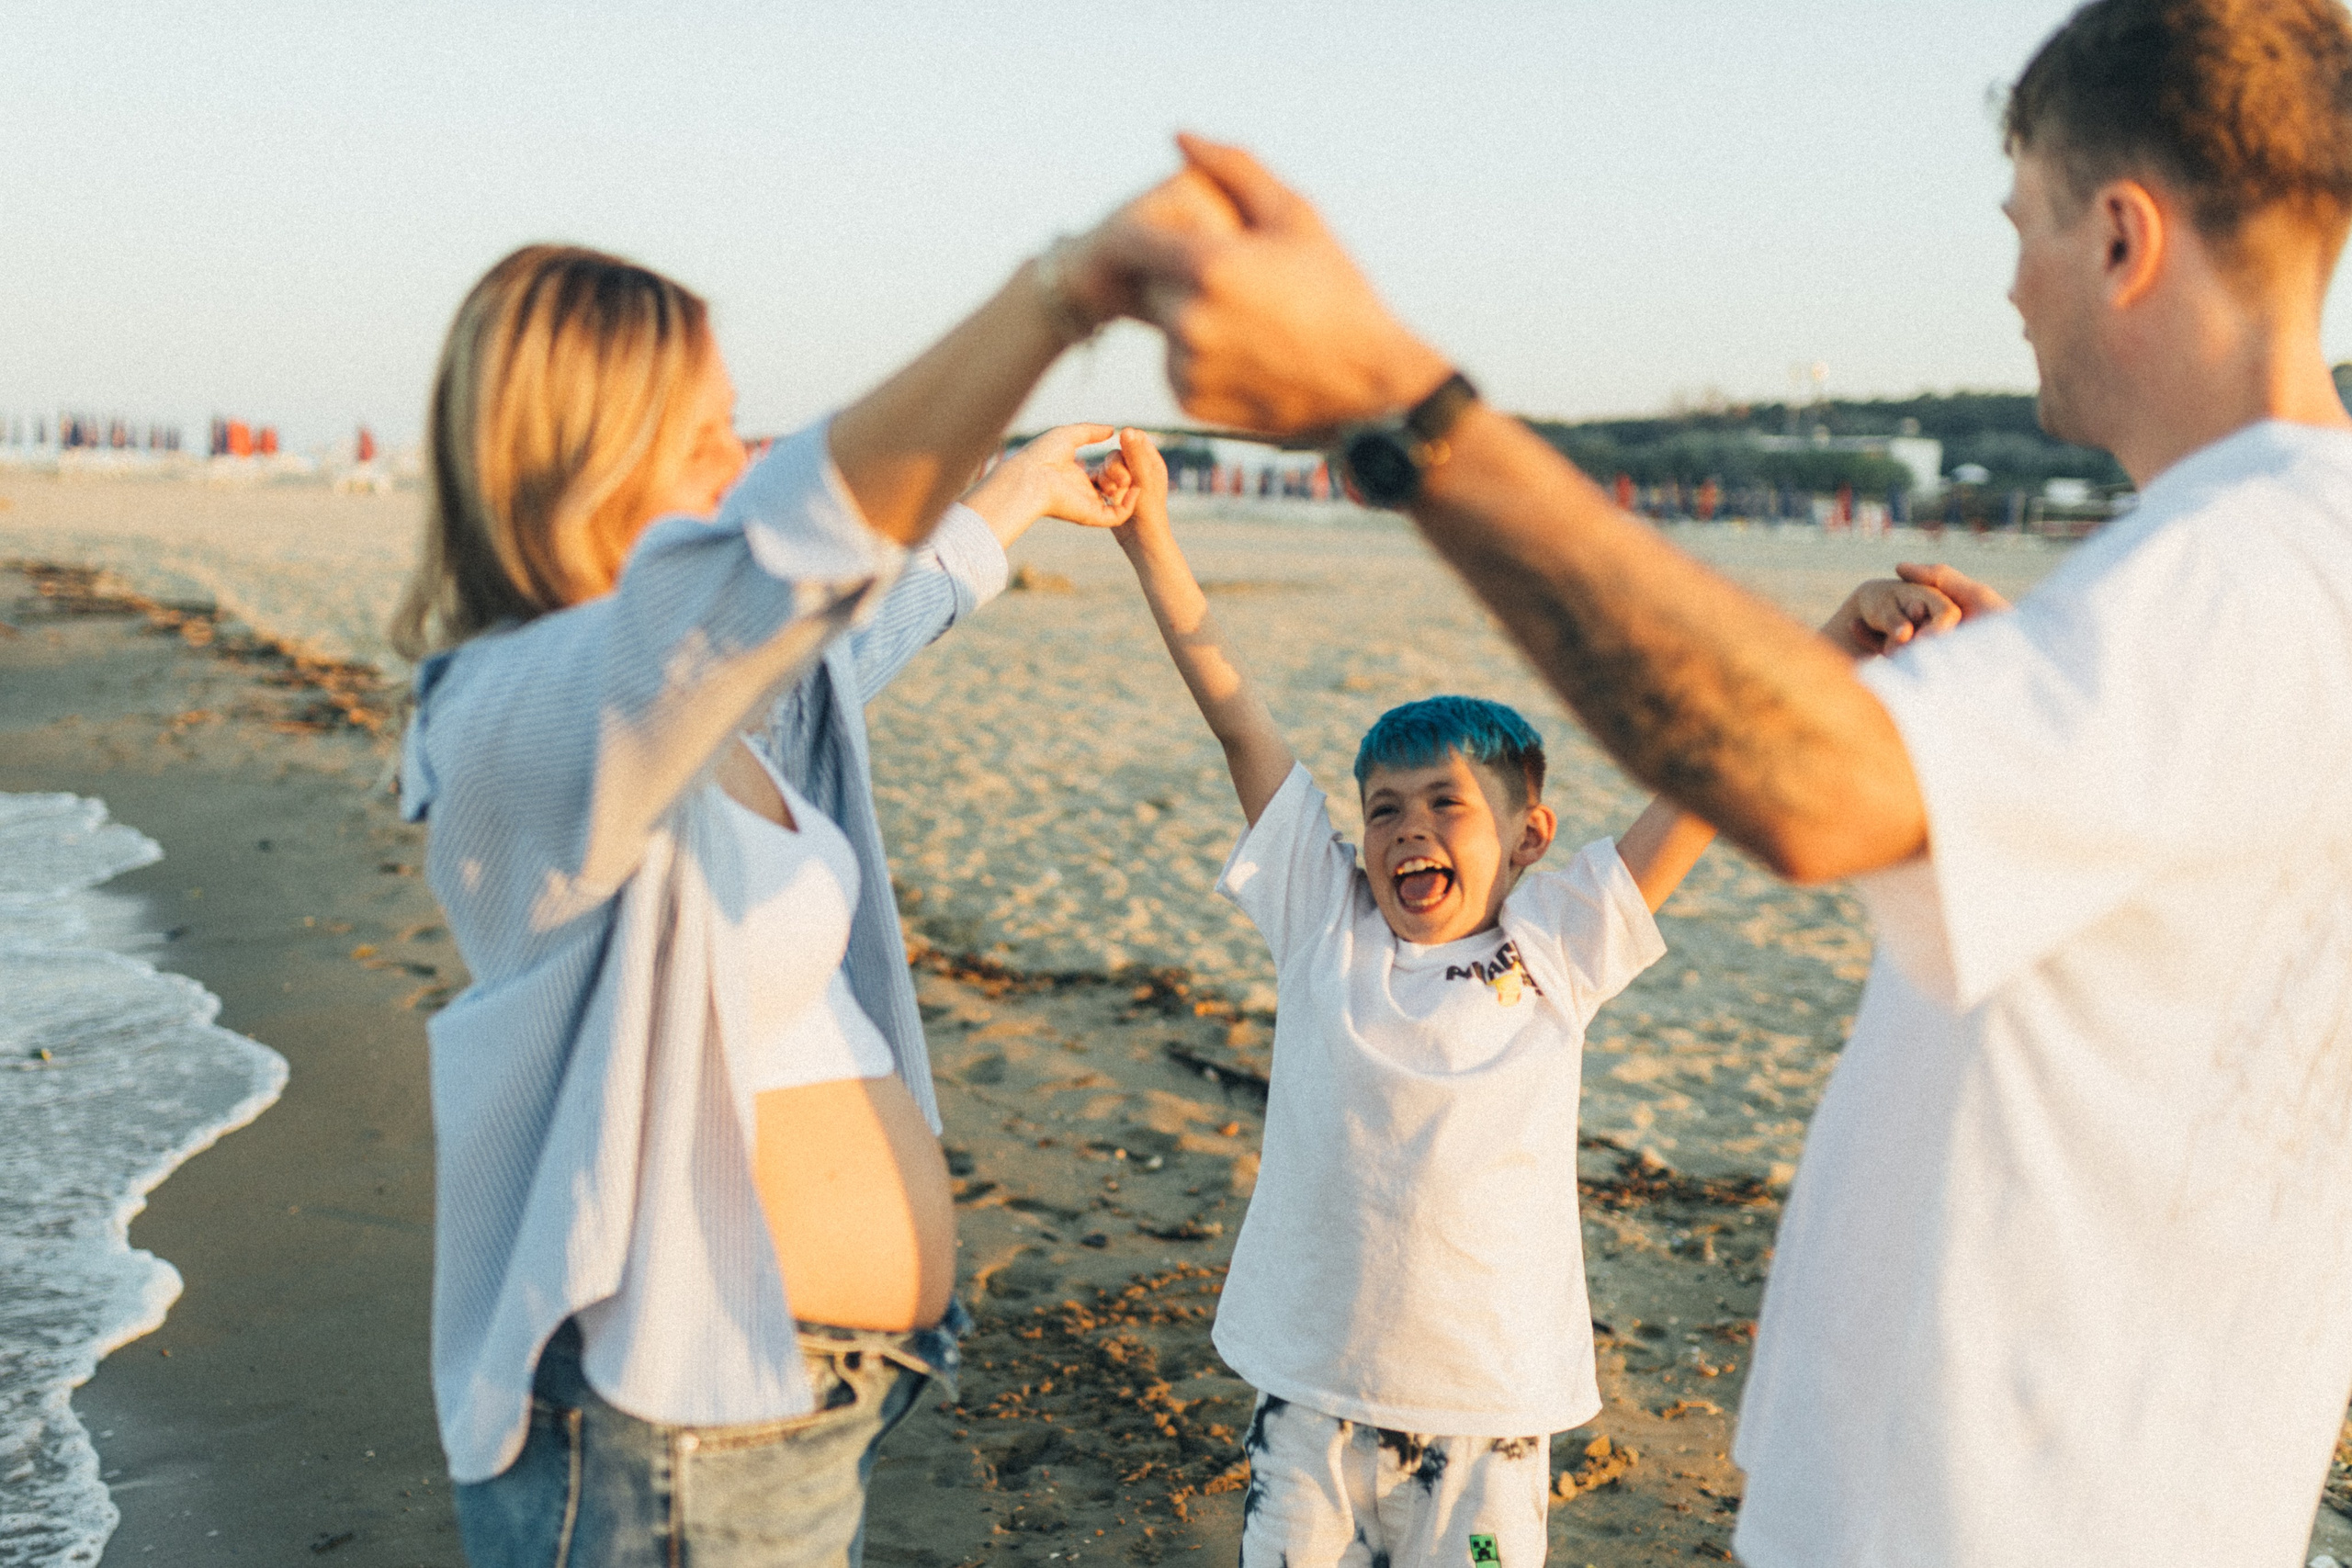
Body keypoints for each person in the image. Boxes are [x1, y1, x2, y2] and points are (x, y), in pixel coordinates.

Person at [1105, 0, 2352, 1560]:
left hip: (2023, 1514)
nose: (2010, 284)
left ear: (2121, 236)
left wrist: (1398, 402)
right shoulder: (2246, 586)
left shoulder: (2237, 576)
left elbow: (1792, 789)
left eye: (2022, 223)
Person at [388, 185, 1213, 1566]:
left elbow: (844, 633)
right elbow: (791, 548)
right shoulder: (511, 716)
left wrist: (1017, 492)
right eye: (707, 430)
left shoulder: (694, 710)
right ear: (594, 449)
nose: (740, 452)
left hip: (778, 1416)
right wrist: (1059, 293)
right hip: (663, 1434)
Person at [1095, 429, 1961, 1564]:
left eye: (1444, 805)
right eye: (1384, 810)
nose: (1407, 830)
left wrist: (1844, 640)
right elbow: (1236, 717)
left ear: (1526, 839)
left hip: (1489, 1418)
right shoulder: (1323, 922)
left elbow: (1717, 766)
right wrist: (1147, 531)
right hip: (1311, 1402)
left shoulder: (1560, 939)